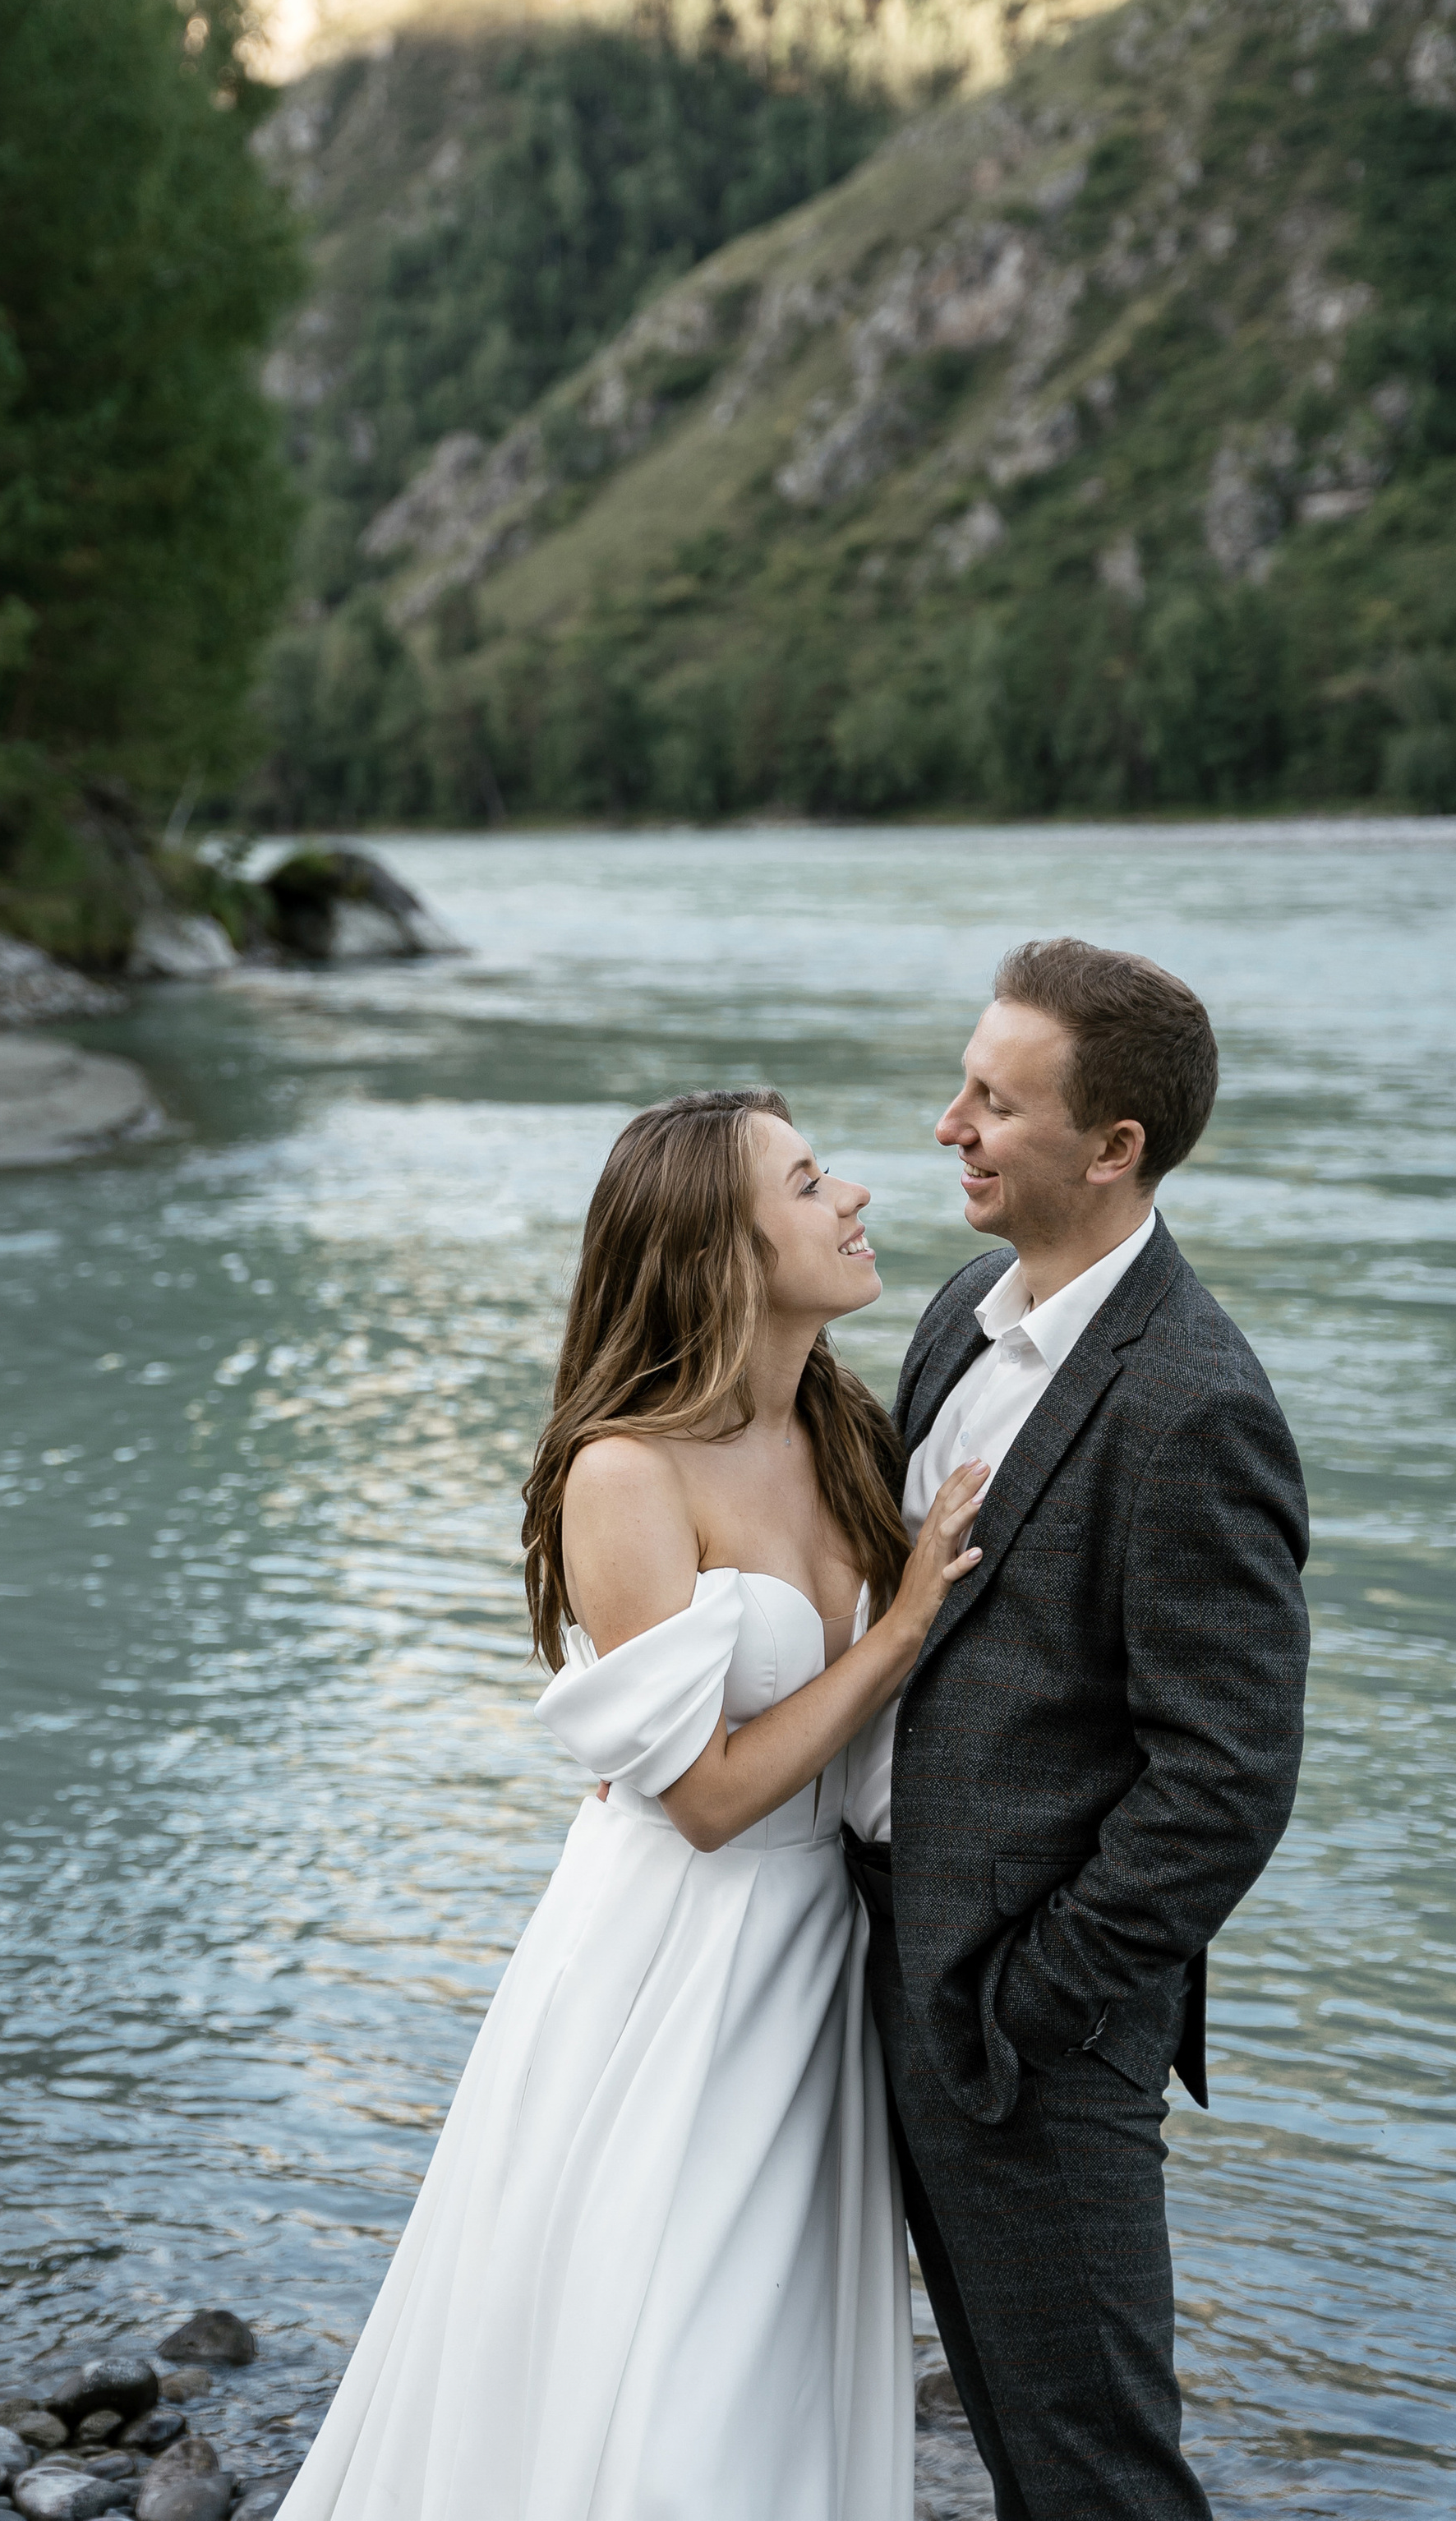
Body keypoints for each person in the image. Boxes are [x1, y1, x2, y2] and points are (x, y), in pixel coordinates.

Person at [279, 1087, 989, 2521]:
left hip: (816, 1953)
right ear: (718, 1250)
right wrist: (903, 1626)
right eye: (805, 1183)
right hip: (671, 1956)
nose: (852, 1195)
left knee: (768, 2359)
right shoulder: (626, 1469)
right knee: (659, 2354)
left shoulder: (848, 1425)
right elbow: (712, 1798)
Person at [841, 938, 1310, 2521]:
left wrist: (1033, 2004)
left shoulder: (1197, 1405)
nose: (948, 1124)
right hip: (879, 1965)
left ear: (1116, 1149)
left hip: (1032, 2028)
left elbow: (1226, 1783)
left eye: (995, 1100)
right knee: (987, 2419)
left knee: (1093, 2470)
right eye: (964, 1082)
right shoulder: (968, 1306)